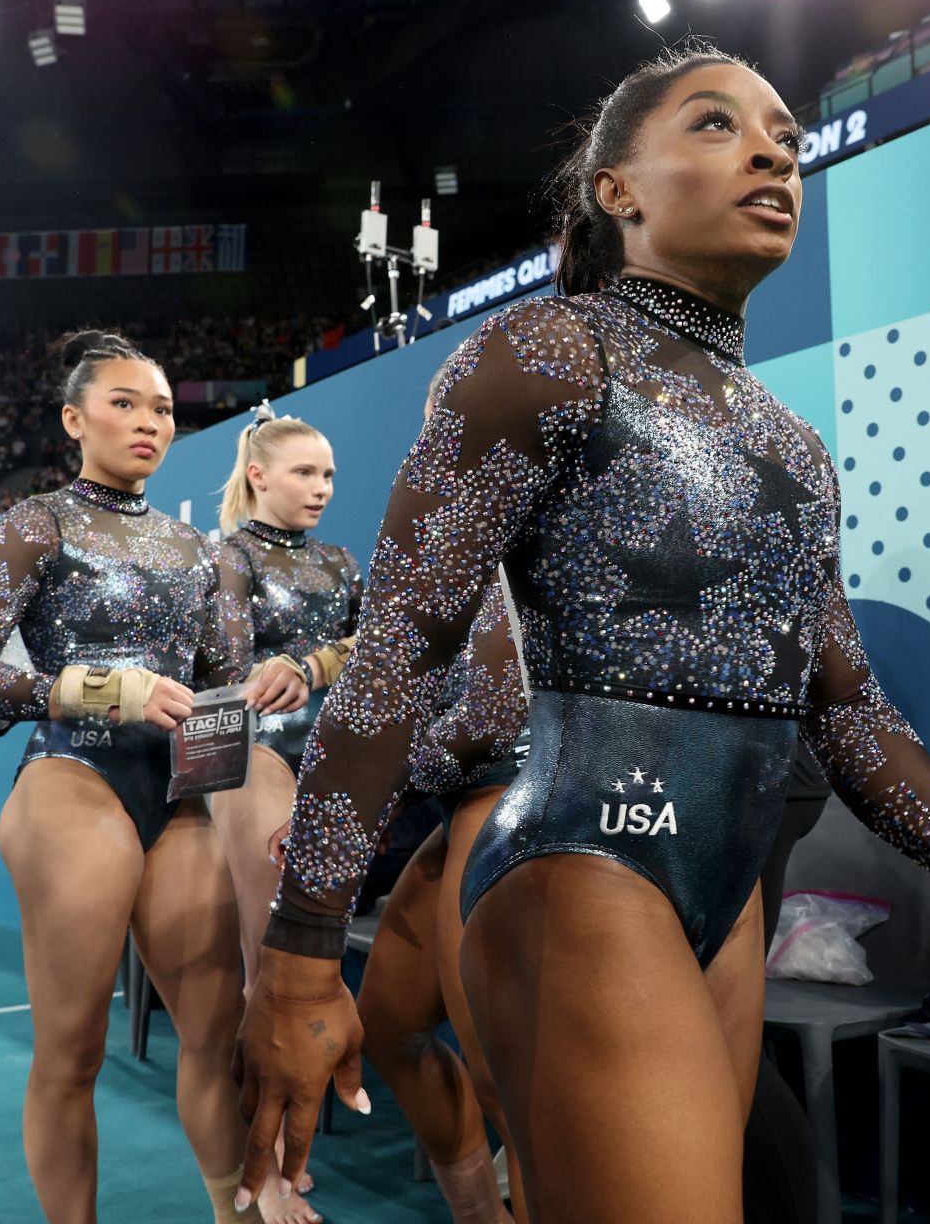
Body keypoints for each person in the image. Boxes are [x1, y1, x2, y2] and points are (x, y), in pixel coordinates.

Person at [232, 47, 930, 1222]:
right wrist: (303, 944)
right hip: (585, 863)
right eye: (717, 124)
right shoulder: (546, 354)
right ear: (617, 189)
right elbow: (397, 651)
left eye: (786, 137)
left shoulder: (792, 444)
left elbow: (849, 711)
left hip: (724, 894)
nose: (773, 154)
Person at [0, 331, 303, 1224]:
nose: (148, 422)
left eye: (162, 408)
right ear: (74, 420)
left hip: (177, 794)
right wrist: (94, 686)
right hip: (73, 776)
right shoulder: (38, 524)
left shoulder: (198, 547)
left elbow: (220, 683)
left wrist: (269, 683)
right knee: (74, 1050)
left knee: (212, 1039)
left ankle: (238, 1213)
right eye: (124, 404)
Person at [351, 374, 533, 1224]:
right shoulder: (445, 533)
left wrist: (385, 781)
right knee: (389, 1023)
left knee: (507, 1081)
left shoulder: (511, 520)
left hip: (518, 797)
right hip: (466, 798)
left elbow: (494, 712)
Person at [211, 406, 356, 1223]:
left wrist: (317, 659)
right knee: (266, 963)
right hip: (255, 756)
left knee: (309, 965)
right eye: (305, 472)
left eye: (329, 474)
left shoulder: (339, 561)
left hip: (337, 760)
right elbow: (234, 671)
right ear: (259, 475)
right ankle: (260, 1169)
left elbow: (381, 650)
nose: (322, 487)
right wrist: (305, 668)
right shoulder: (230, 555)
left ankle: (290, 1146)